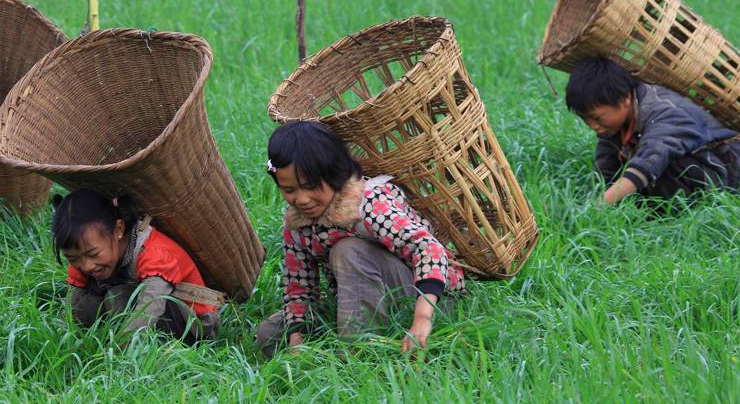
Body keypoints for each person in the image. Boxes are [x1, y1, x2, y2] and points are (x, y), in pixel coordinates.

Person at [255, 121, 468, 358]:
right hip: (359, 293)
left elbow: (429, 250)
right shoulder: (297, 224)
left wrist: (422, 318)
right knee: (271, 334)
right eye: (289, 190)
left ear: (335, 173)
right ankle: (320, 364)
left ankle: (357, 355)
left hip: (426, 295)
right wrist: (297, 341)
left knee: (347, 251)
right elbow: (300, 288)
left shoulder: (368, 204)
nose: (302, 199)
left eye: (311, 186)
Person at [565, 56, 740, 206]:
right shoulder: (613, 126)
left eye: (596, 118)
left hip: (734, 172)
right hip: (706, 165)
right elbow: (606, 172)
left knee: (661, 169)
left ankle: (671, 213)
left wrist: (598, 207)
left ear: (624, 99)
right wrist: (593, 199)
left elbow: (649, 161)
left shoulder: (665, 112)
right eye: (585, 119)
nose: (592, 125)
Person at [52, 188, 222, 345]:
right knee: (87, 304)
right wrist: (64, 339)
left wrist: (118, 356)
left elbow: (151, 307)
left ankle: (142, 353)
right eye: (73, 258)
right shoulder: (83, 256)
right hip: (144, 310)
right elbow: (73, 307)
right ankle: (107, 342)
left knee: (117, 296)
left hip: (194, 327)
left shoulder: (155, 254)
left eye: (94, 254)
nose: (86, 266)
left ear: (118, 229)